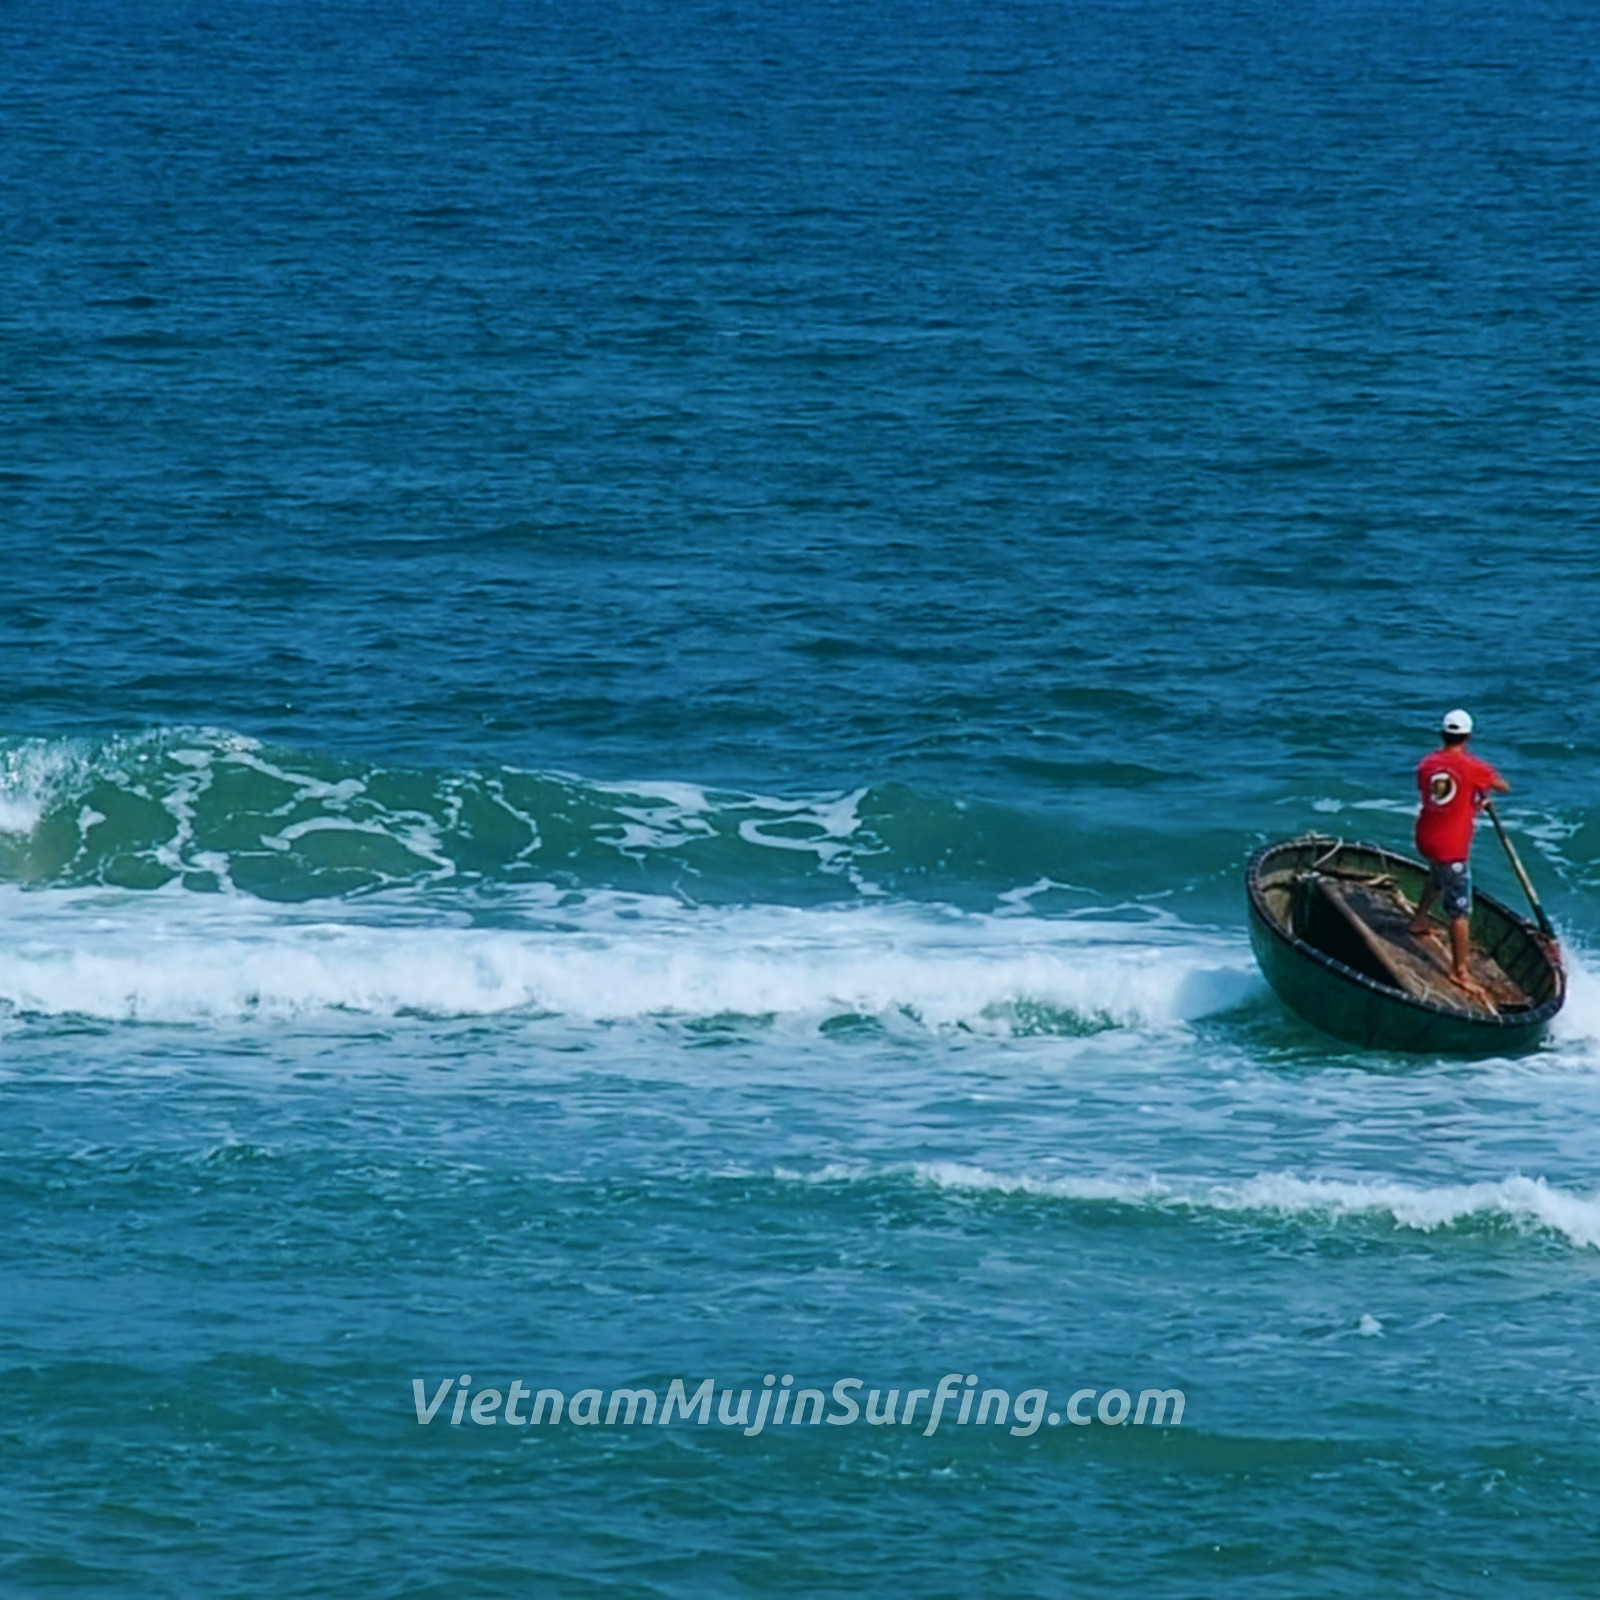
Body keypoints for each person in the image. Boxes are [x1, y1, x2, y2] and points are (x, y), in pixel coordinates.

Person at [1407, 709, 1509, 999]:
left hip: (1425, 837)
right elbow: (1503, 786)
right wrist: (1480, 791)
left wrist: (1470, 802)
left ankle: (1419, 921)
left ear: (1443, 733)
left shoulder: (1427, 764)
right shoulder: (1473, 767)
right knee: (1460, 911)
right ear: (1468, 736)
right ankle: (1459, 971)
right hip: (1450, 848)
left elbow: (1439, 796)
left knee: (1436, 875)